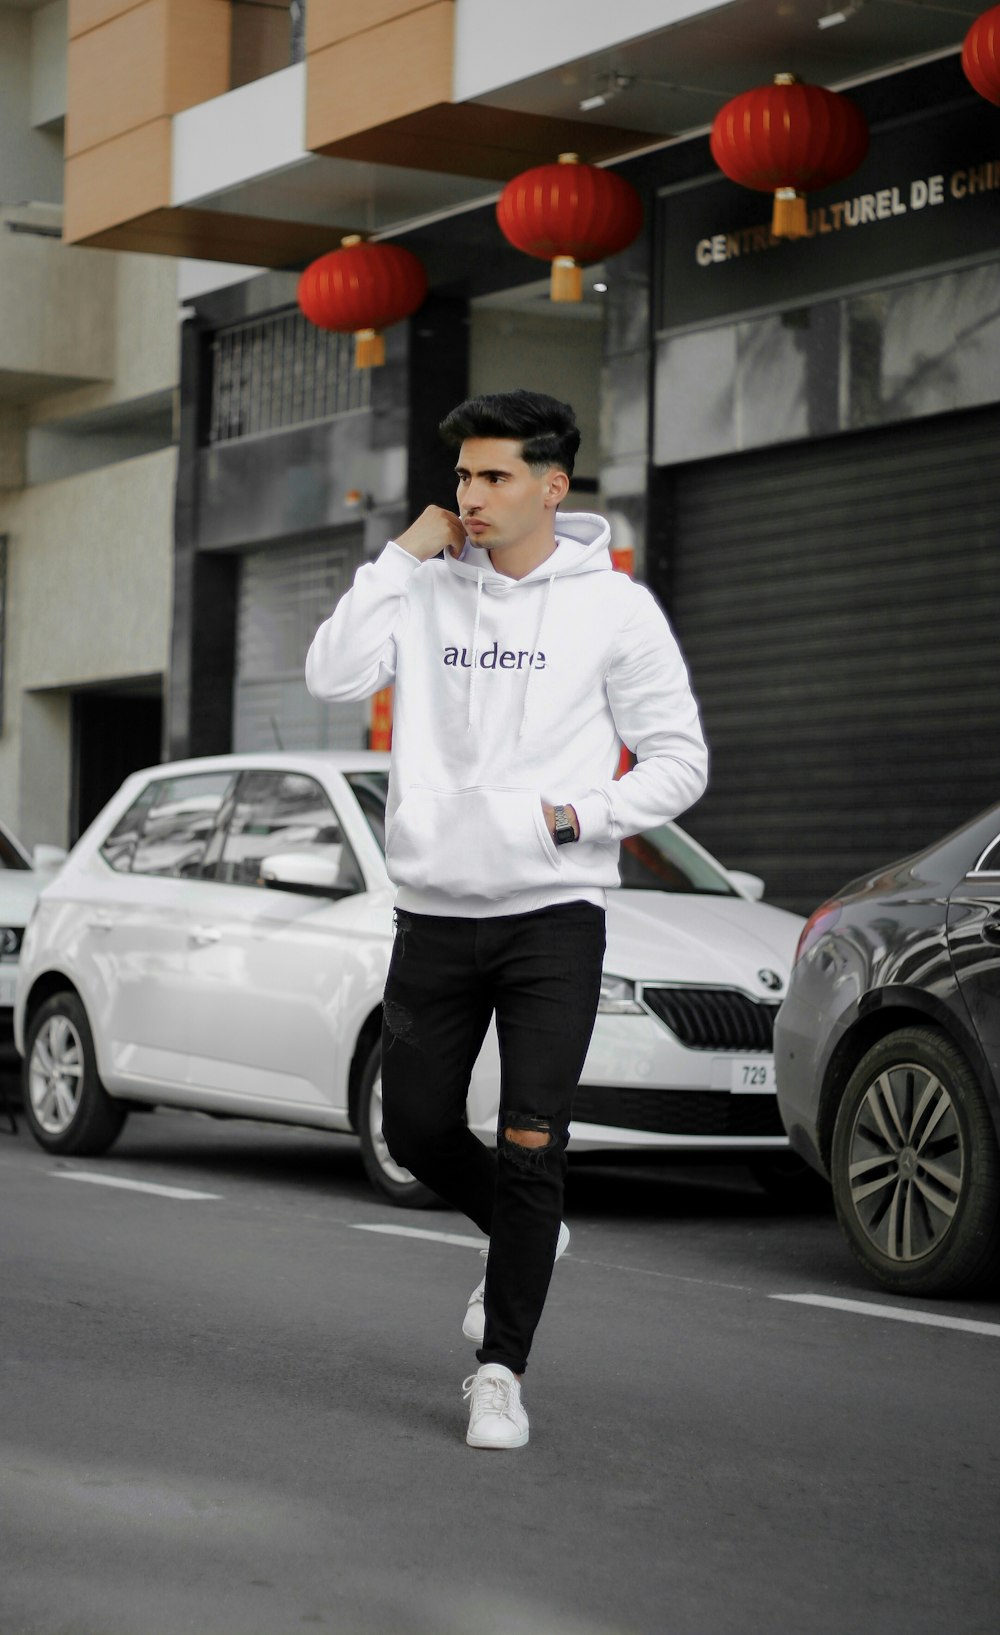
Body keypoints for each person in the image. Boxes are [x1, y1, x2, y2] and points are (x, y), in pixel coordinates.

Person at [305, 389, 707, 1450]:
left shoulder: (613, 608)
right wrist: (398, 558)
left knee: (533, 1140)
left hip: (553, 913)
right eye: (462, 477)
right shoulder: (424, 588)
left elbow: (680, 760)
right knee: (416, 1129)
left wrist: (582, 814)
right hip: (434, 911)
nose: (469, 497)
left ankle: (499, 1371)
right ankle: (530, 1233)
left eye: (493, 477)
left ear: (551, 486)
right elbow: (330, 672)